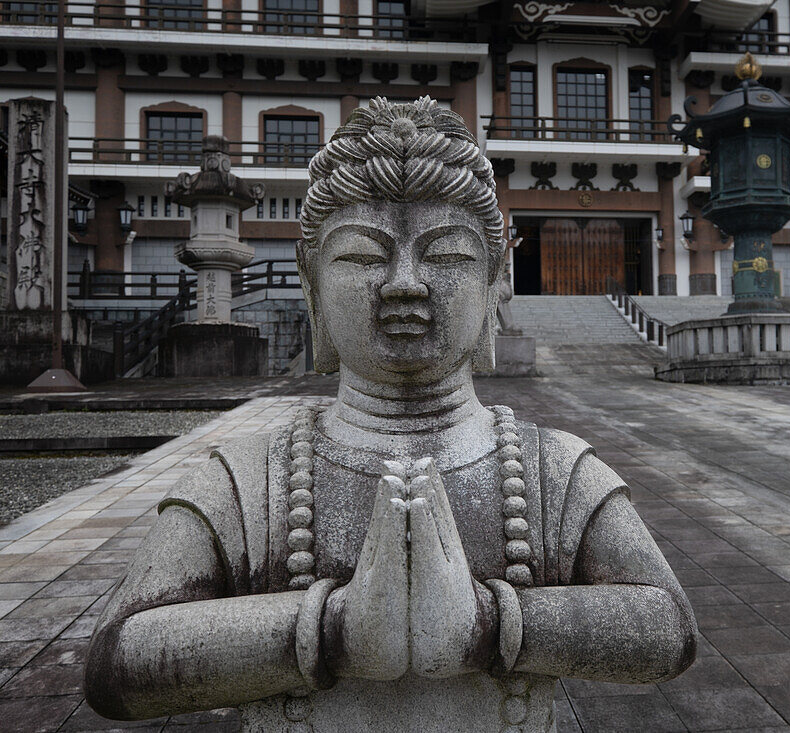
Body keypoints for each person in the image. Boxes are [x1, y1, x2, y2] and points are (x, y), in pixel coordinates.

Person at [85, 96, 697, 732]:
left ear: (495, 285)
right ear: (312, 286)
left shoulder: (556, 470)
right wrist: (335, 631)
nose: (404, 281)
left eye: (446, 255)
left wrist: (487, 625)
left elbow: (668, 627)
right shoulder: (242, 480)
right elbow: (114, 664)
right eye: (362, 256)